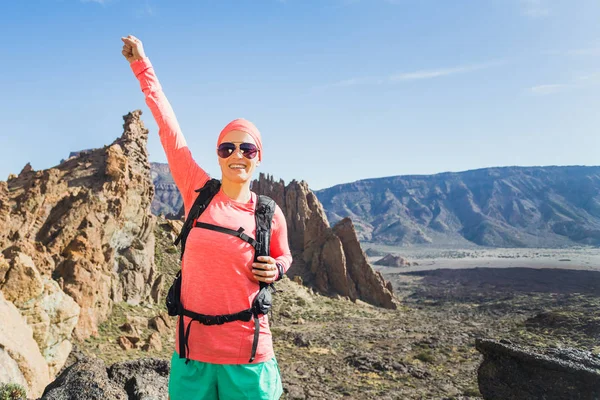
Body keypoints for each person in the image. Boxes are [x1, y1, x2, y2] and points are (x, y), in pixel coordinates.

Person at [121, 35, 293, 400]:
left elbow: (284, 255)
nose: (237, 154)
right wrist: (142, 66)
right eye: (227, 147)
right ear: (218, 154)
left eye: (247, 148)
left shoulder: (267, 212)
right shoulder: (197, 190)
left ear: (258, 157)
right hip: (192, 356)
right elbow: (169, 129)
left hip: (249, 358)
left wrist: (276, 269)